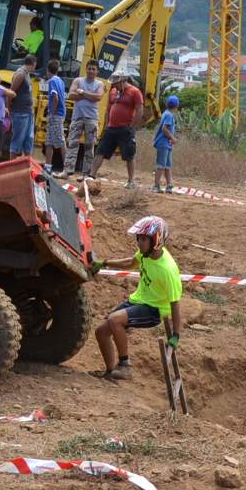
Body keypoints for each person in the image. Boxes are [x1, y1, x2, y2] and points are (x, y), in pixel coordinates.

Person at [89, 216, 183, 381]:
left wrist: (176, 335)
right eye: (138, 238)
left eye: (143, 239)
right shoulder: (146, 254)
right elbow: (130, 263)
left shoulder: (168, 270)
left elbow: (175, 304)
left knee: (115, 320)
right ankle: (111, 372)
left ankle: (125, 366)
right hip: (139, 300)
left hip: (155, 309)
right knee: (101, 332)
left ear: (156, 240)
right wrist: (104, 263)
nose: (139, 242)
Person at [88, 68, 144, 188]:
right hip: (111, 128)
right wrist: (107, 125)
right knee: (100, 151)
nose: (115, 85)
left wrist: (132, 127)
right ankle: (91, 175)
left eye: (117, 82)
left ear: (123, 80)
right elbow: (109, 110)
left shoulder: (135, 92)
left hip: (125, 128)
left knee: (129, 154)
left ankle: (131, 181)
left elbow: (140, 110)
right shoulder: (113, 91)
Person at [55, 59, 105, 180]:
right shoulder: (78, 80)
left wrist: (82, 93)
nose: (91, 71)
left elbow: (98, 97)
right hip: (77, 117)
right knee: (72, 143)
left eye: (93, 69)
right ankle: (67, 171)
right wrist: (88, 95)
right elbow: (71, 95)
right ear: (86, 69)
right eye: (89, 68)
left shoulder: (99, 84)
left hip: (91, 118)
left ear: (97, 71)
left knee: (89, 146)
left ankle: (86, 174)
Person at [9, 56, 36, 159]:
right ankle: (11, 164)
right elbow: (11, 92)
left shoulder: (27, 74)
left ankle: (28, 163)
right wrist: (8, 107)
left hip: (28, 112)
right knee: (18, 138)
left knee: (29, 138)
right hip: (20, 112)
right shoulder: (20, 74)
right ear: (33, 64)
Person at [44, 59, 66, 173]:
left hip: (56, 114)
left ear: (48, 70)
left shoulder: (52, 81)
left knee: (60, 141)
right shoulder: (61, 81)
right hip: (59, 113)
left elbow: (55, 98)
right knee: (49, 141)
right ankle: (48, 167)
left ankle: (67, 167)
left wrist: (52, 112)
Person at [153, 95, 179, 194]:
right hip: (163, 143)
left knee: (168, 165)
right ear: (177, 105)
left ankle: (169, 185)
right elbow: (164, 129)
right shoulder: (169, 115)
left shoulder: (166, 113)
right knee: (161, 165)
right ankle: (156, 186)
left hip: (167, 144)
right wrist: (173, 138)